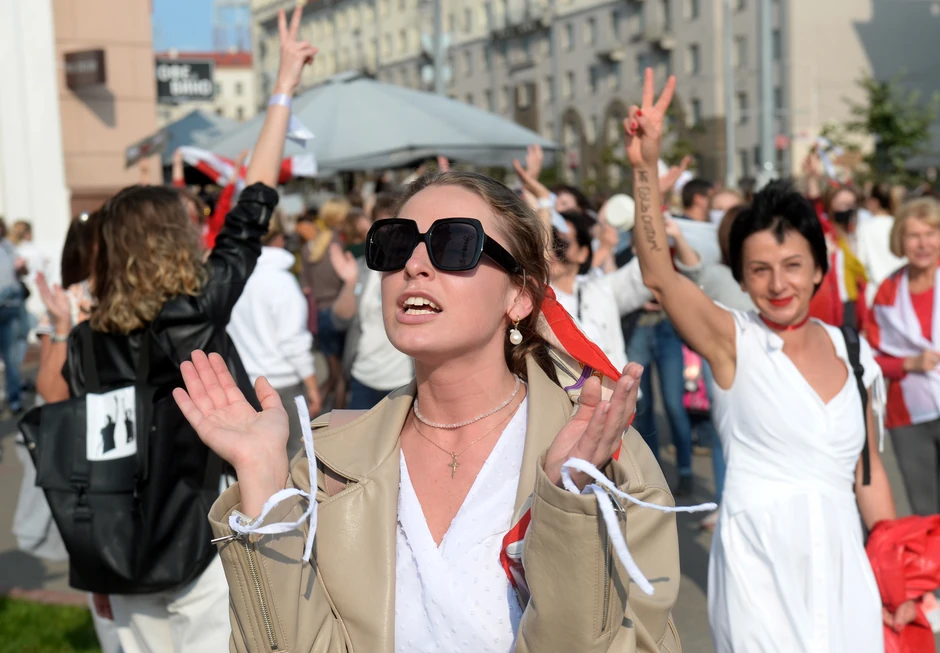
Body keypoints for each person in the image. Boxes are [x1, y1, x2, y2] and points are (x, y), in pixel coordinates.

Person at [173, 40, 682, 650]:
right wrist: (261, 480)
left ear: (520, 296)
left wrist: (568, 502)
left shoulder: (603, 455)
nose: (414, 264)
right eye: (394, 244)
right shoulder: (326, 464)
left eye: (454, 245)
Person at [35, 10, 313, 651]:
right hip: (205, 535)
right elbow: (253, 204)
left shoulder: (86, 341)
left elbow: (76, 444)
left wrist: (90, 554)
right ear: (175, 241)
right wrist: (282, 89)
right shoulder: (196, 310)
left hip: (121, 545)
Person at [626, 68, 902, 652]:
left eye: (793, 266)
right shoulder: (733, 342)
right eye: (760, 270)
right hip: (758, 569)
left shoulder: (854, 353)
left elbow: (869, 474)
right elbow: (659, 274)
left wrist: (899, 575)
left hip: (844, 571)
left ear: (819, 269)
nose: (778, 284)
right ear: (743, 278)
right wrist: (645, 168)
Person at [227, 211, 322, 458]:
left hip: (243, 383)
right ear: (279, 238)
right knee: (296, 458)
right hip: (282, 385)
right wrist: (313, 387)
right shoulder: (281, 282)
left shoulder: (233, 277)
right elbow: (293, 341)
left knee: (255, 458)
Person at [866, 198, 940, 516]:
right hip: (909, 416)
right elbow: (870, 357)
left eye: (931, 233)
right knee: (927, 513)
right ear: (900, 240)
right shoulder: (888, 290)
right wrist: (908, 363)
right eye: (914, 235)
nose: (923, 244)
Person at [857, 183, 906, 306]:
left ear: (874, 202)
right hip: (901, 291)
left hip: (875, 293)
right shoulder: (900, 225)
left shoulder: (864, 228)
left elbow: (860, 261)